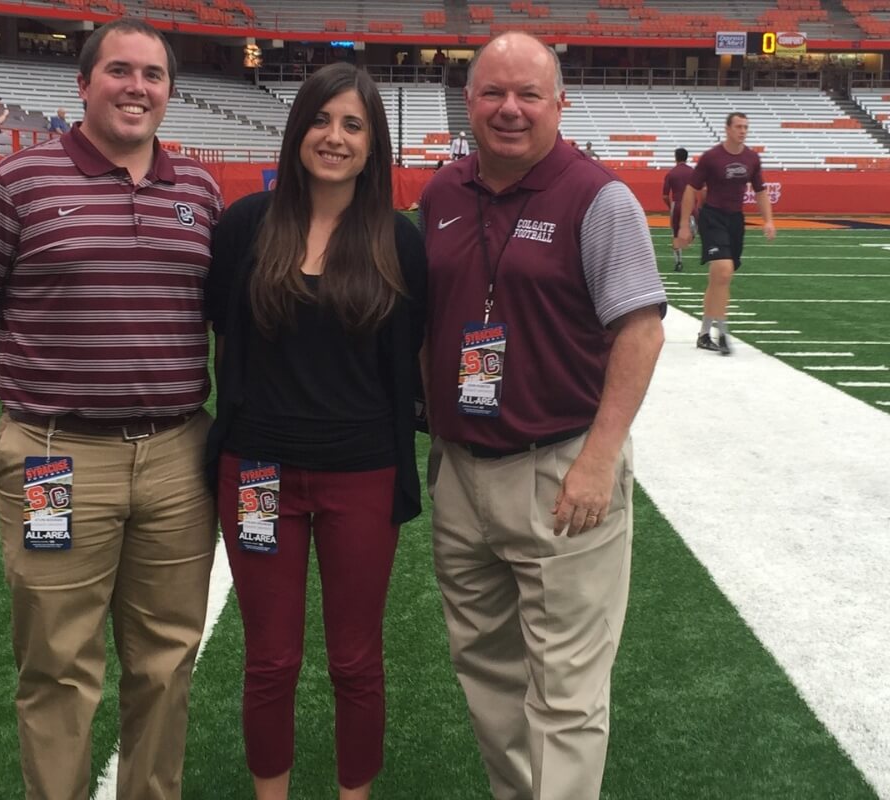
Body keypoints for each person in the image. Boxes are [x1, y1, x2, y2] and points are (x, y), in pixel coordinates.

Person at [0, 18, 222, 800]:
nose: (137, 87)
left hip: (176, 457)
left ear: (170, 91)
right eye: (119, 71)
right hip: (55, 456)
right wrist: (24, 394)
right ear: (83, 84)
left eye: (153, 75)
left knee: (166, 661)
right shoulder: (18, 183)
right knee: (57, 665)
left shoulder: (198, 190)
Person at [421, 32, 666, 800]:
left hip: (562, 467)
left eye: (529, 94)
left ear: (560, 103)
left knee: (566, 691)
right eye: (494, 92)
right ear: (469, 102)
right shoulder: (441, 194)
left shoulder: (599, 198)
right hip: (462, 470)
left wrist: (598, 459)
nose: (510, 109)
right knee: (488, 675)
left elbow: (641, 331)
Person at [204, 61, 427, 800]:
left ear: (373, 144)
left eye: (353, 125)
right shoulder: (246, 226)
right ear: (298, 129)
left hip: (362, 476)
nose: (335, 137)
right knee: (270, 660)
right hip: (258, 474)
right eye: (322, 120)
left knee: (355, 661)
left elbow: (412, 357)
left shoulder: (398, 241)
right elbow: (224, 337)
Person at [676, 111, 775, 356]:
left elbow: (760, 191)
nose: (743, 131)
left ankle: (704, 334)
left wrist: (768, 220)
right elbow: (691, 189)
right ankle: (722, 333)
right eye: (739, 126)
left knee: (719, 279)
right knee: (723, 270)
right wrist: (684, 225)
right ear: (728, 129)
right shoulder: (712, 157)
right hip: (712, 217)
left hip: (735, 220)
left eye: (746, 127)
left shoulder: (752, 158)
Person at [662, 147, 696, 272]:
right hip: (690, 204)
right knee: (694, 228)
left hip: (676, 204)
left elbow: (665, 196)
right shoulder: (693, 172)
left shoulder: (671, 173)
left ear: (676, 157)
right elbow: (701, 188)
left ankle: (678, 261)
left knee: (675, 234)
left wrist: (670, 206)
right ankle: (690, 236)